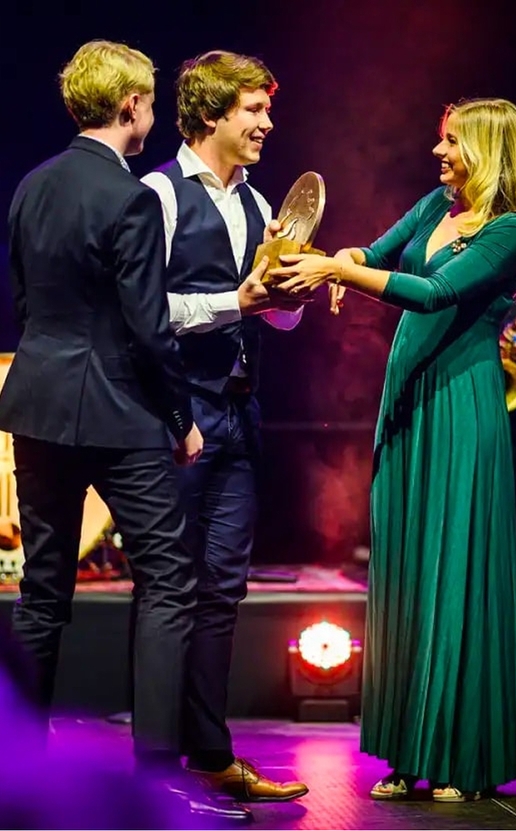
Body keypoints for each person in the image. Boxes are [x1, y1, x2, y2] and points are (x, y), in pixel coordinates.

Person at [0, 39, 249, 823]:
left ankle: (19, 770)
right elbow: (148, 329)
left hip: (36, 406)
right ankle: (158, 774)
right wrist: (181, 421)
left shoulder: (32, 185)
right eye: (147, 103)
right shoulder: (131, 196)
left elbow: (26, 304)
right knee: (169, 579)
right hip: (116, 413)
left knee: (42, 591)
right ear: (130, 106)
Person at [269, 97, 516, 801]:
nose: (438, 152)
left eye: (452, 142)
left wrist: (335, 273)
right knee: (406, 568)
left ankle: (461, 757)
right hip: (409, 401)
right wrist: (339, 259)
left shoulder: (511, 228)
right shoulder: (435, 205)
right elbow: (377, 254)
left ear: (488, 150)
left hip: (460, 403)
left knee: (454, 566)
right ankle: (405, 749)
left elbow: (432, 292)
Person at [141, 50, 309, 803]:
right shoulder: (160, 195)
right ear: (211, 114)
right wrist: (233, 301)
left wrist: (288, 290)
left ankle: (208, 755)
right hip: (176, 417)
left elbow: (277, 318)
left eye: (268, 110)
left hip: (239, 416)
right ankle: (152, 773)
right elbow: (144, 312)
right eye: (254, 110)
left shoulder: (256, 200)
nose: (268, 123)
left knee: (223, 592)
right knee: (168, 591)